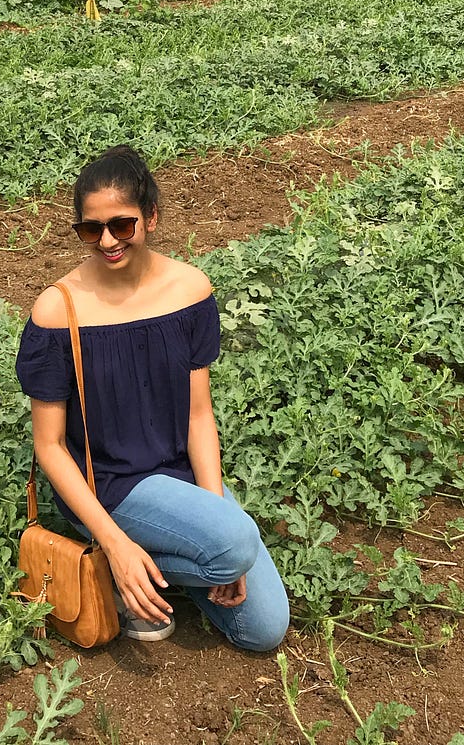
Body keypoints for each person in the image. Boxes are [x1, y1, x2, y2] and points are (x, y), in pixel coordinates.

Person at [15, 145, 289, 651]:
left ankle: (166, 568)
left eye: (121, 225)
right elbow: (50, 446)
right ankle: (120, 564)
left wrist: (215, 515)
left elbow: (199, 413)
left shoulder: (189, 290)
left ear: (152, 217)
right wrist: (116, 543)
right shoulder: (58, 310)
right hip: (110, 486)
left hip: (179, 471)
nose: (107, 241)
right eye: (90, 229)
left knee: (263, 628)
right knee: (233, 544)